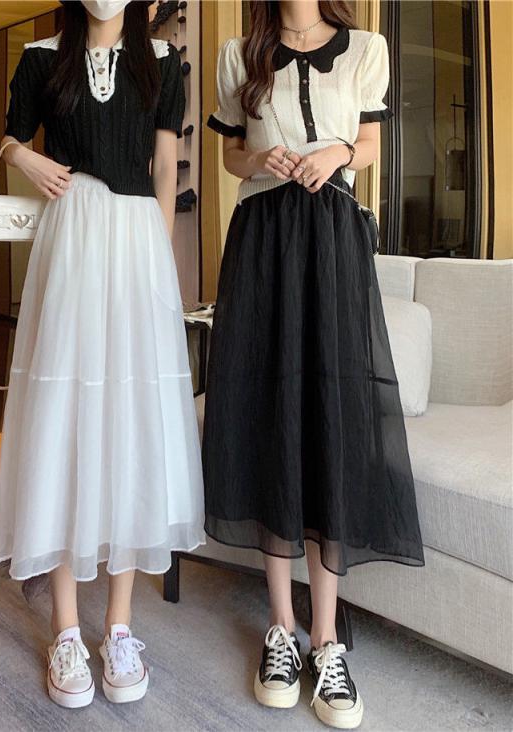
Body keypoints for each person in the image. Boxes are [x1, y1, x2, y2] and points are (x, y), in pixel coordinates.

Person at [203, 1, 424, 728]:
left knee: (331, 416)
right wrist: (259, 160)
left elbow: (369, 144)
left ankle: (325, 641)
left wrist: (335, 155)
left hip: (332, 237)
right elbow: (231, 156)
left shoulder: (366, 49)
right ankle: (280, 628)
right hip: (261, 239)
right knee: (269, 414)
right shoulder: (239, 53)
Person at [0, 0, 205, 708]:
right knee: (64, 419)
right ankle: (64, 630)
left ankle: (118, 626)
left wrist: (158, 262)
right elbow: (11, 136)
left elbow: (166, 167)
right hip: (73, 238)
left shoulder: (163, 62)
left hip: (136, 243)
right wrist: (26, 156)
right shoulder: (40, 57)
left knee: (129, 424)